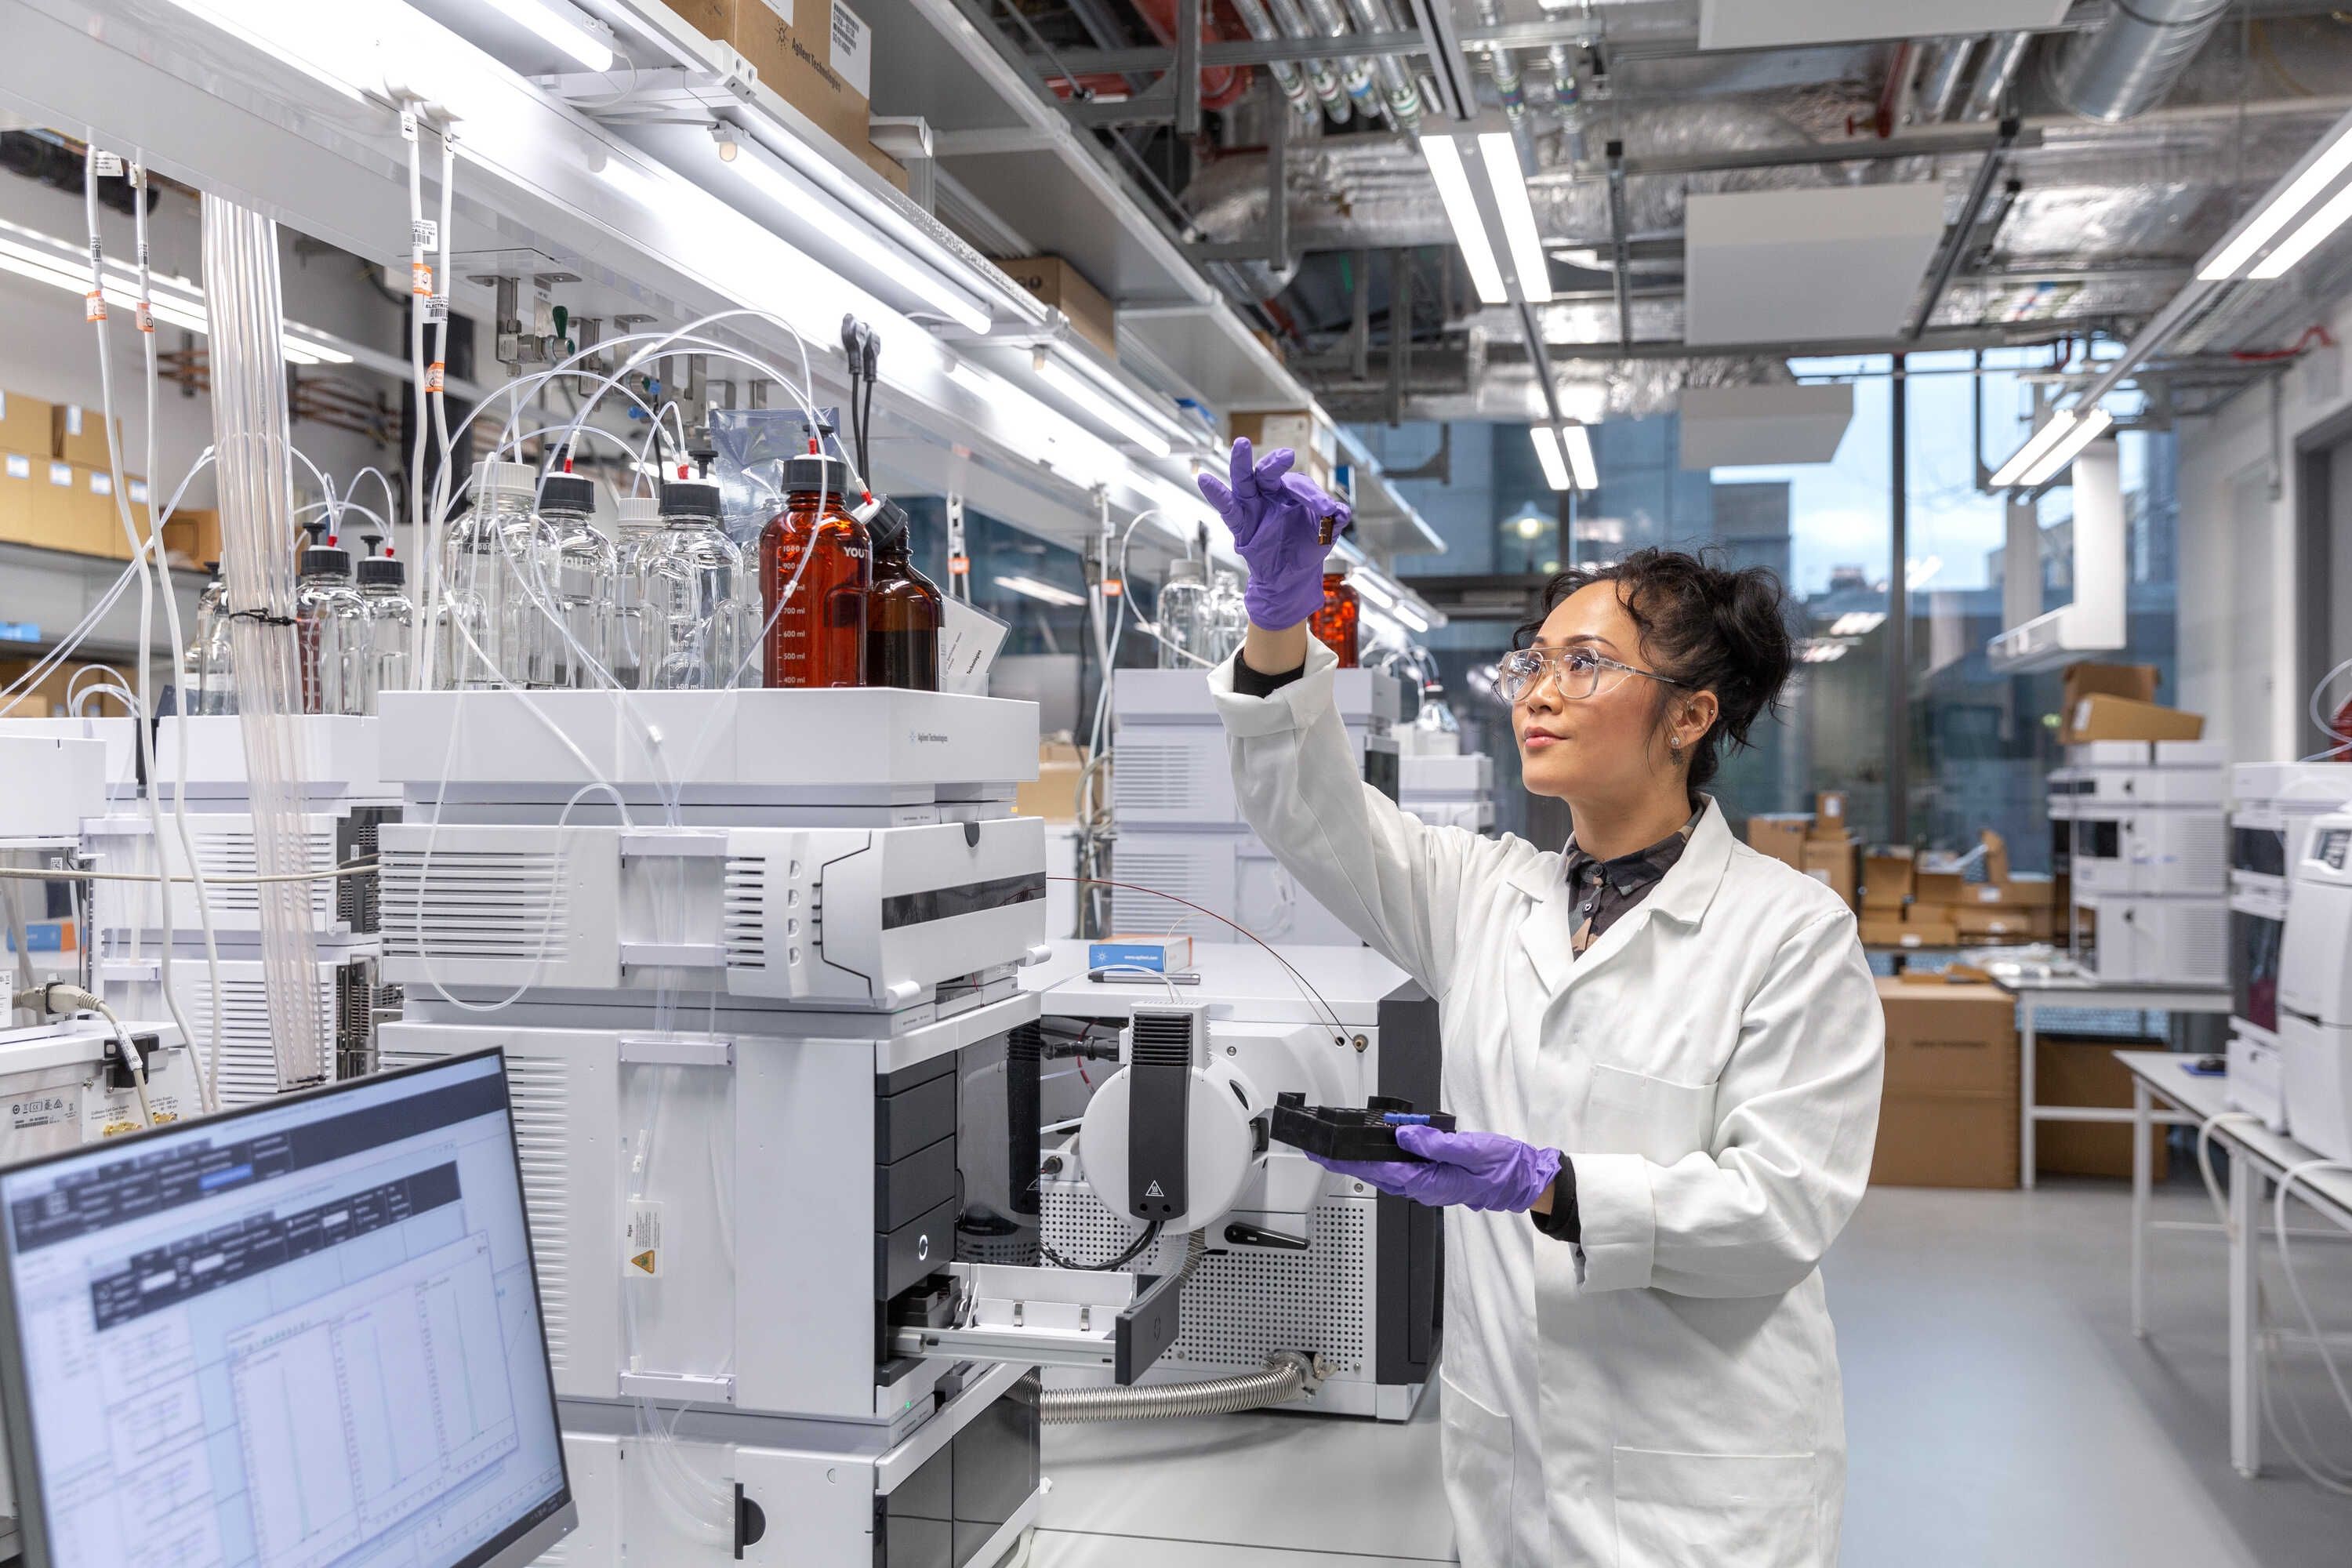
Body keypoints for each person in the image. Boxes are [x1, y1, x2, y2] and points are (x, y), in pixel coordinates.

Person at [1197, 439, 1885, 1567]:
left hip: (1700, 1487)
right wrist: (1281, 619)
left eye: (1586, 665)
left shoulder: (1791, 934)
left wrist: (1555, 1186)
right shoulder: (1486, 896)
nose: (1540, 693)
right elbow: (1310, 813)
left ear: (1689, 716)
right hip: (1506, 1465)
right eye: (1536, 662)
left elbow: (1782, 1211)